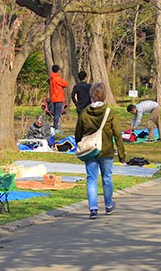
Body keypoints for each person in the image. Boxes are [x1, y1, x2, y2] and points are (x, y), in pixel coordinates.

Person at [75, 82, 126, 219]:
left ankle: (93, 208)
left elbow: (78, 133)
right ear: (104, 96)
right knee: (107, 178)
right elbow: (117, 134)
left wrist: (80, 146)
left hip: (90, 151)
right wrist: (122, 154)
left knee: (91, 179)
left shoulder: (84, 113)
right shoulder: (109, 113)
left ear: (91, 96)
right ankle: (108, 205)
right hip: (106, 151)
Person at [47, 65, 68, 132]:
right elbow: (65, 84)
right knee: (57, 114)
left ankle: (55, 127)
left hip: (53, 98)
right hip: (59, 98)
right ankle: (55, 128)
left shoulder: (51, 78)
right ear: (58, 71)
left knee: (55, 113)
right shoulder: (57, 78)